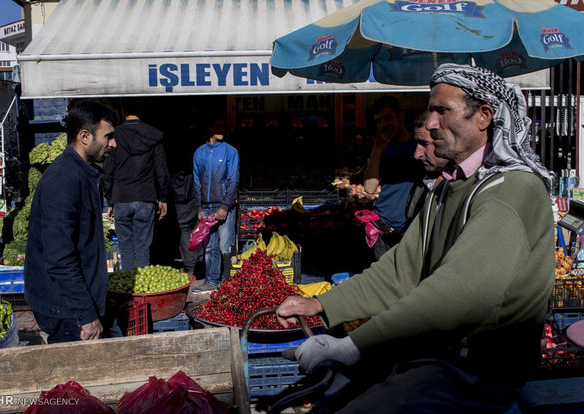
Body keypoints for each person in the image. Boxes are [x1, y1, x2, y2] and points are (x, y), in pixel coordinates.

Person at [276, 64, 555, 413]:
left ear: (484, 117)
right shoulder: (447, 187)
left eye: (443, 111)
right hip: (432, 354)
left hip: (475, 374)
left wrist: (354, 346)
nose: (432, 122)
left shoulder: (511, 191)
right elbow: (400, 269)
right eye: (431, 110)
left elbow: (459, 295)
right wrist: (321, 305)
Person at [24, 100, 117, 343]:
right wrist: (86, 314)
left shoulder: (83, 173)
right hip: (66, 309)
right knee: (75, 380)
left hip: (75, 302)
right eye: (108, 136)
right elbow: (59, 257)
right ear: (85, 136)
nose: (113, 144)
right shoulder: (64, 180)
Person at [103, 99, 170, 270]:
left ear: (123, 112)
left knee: (125, 249)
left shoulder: (114, 136)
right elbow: (162, 171)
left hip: (121, 197)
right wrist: (163, 198)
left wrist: (110, 200)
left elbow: (108, 171)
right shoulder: (153, 136)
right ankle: (141, 291)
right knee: (142, 248)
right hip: (145, 197)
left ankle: (129, 291)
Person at [363, 96, 425, 260]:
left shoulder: (418, 145)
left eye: (388, 117)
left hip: (410, 227)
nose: (383, 124)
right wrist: (378, 149)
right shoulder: (381, 148)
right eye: (378, 121)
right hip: (383, 226)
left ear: (401, 116)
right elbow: (369, 188)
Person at [192, 117, 239, 293]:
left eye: (223, 126)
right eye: (217, 125)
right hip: (206, 206)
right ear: (209, 129)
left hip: (224, 206)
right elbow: (196, 181)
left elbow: (233, 180)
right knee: (210, 246)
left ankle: (228, 283)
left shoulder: (231, 151)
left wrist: (225, 206)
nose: (221, 129)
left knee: (225, 246)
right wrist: (199, 208)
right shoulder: (199, 152)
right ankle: (212, 281)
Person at [170, 108, 204, 276]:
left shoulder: (174, 139)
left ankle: (191, 265)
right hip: (196, 188)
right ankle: (199, 261)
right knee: (199, 225)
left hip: (181, 190)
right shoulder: (198, 139)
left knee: (185, 228)